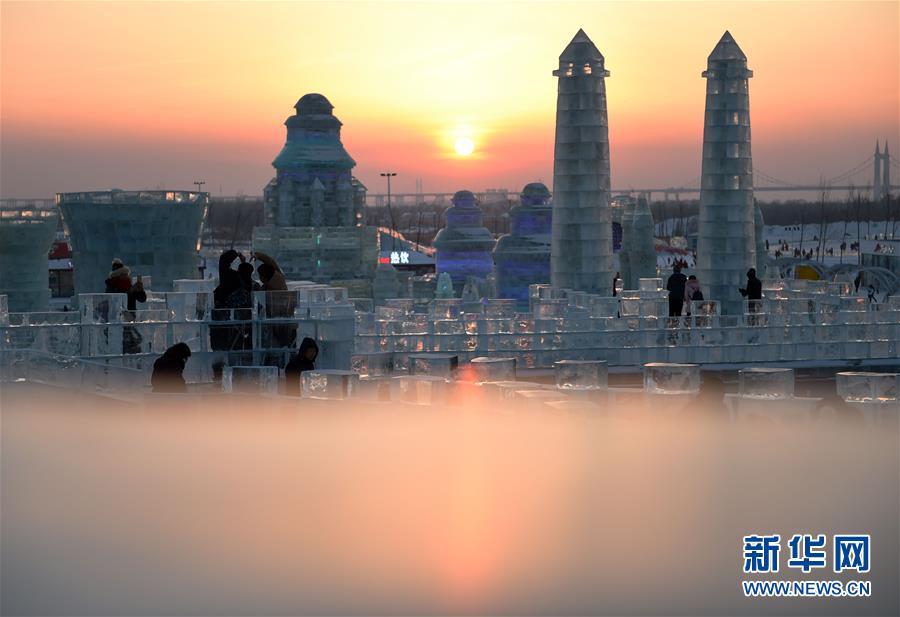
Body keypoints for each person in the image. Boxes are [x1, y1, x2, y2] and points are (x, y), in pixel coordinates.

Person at [211, 250, 252, 352]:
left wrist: (235, 254)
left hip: (222, 323)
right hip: (239, 329)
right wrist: (243, 262)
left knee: (221, 350)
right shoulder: (247, 287)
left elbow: (223, 262)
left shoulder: (230, 278)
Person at [104, 258, 147, 354]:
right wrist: (130, 291)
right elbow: (114, 298)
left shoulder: (128, 285)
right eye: (123, 274)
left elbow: (142, 299)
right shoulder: (111, 285)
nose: (126, 276)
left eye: (126, 274)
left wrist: (140, 290)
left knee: (134, 342)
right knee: (126, 344)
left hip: (129, 319)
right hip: (117, 320)